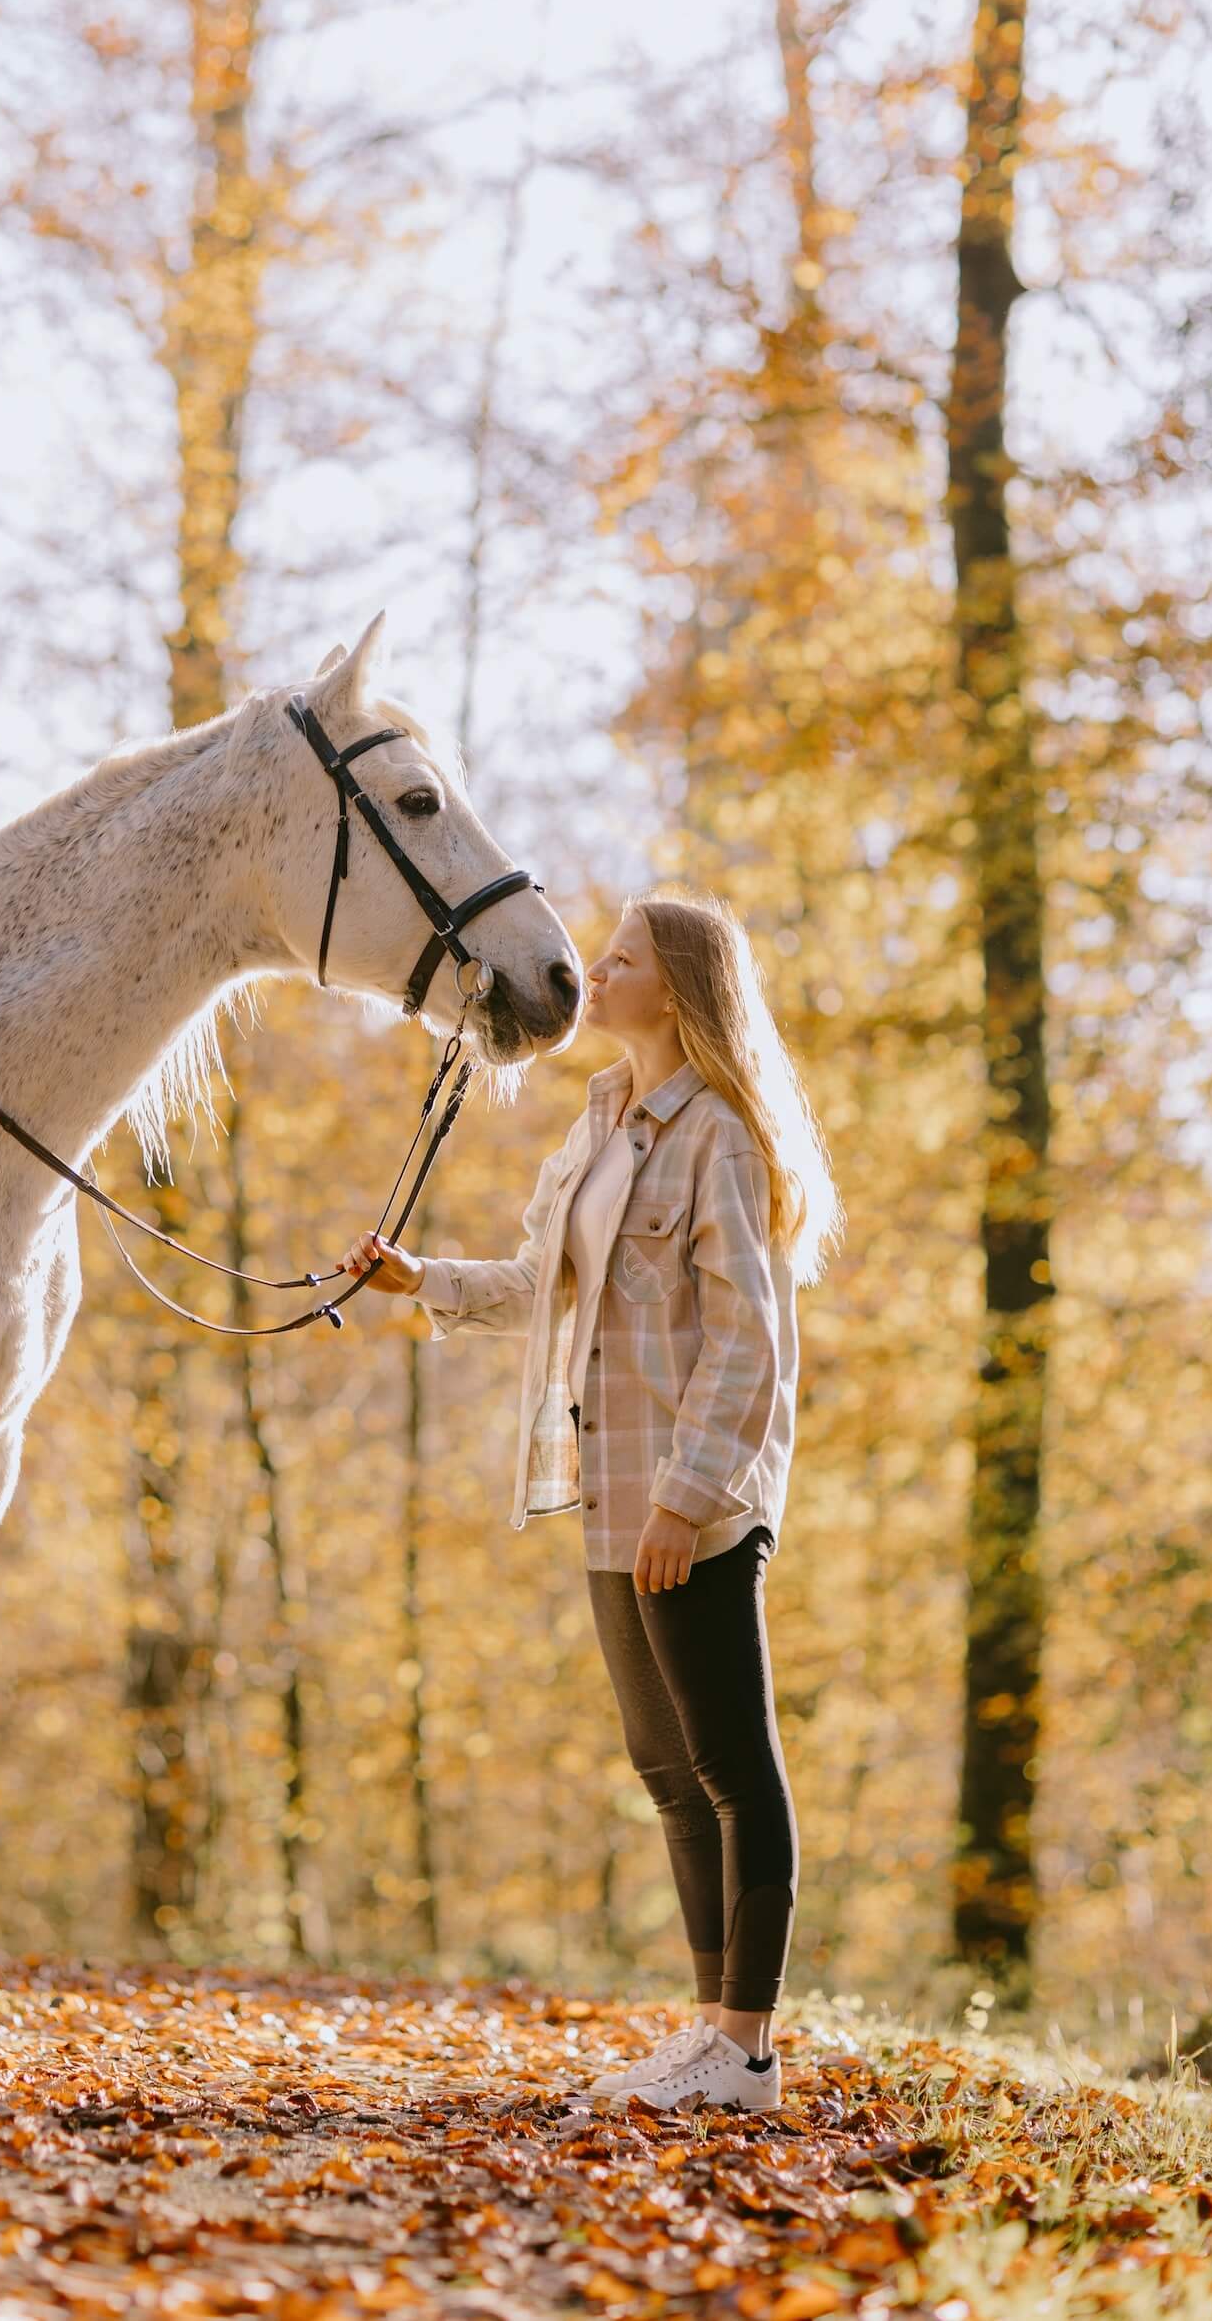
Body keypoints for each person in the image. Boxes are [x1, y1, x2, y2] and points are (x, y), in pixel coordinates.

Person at [342, 888, 841, 2112]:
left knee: (732, 1765)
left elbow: (748, 1339)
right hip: (609, 1483)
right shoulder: (602, 1120)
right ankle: (709, 2036)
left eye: (615, 959)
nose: (592, 972)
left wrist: (689, 1496)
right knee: (664, 1769)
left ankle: (748, 2047)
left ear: (670, 988)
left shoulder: (719, 1131)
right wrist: (423, 1281)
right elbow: (539, 1283)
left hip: (691, 1498)